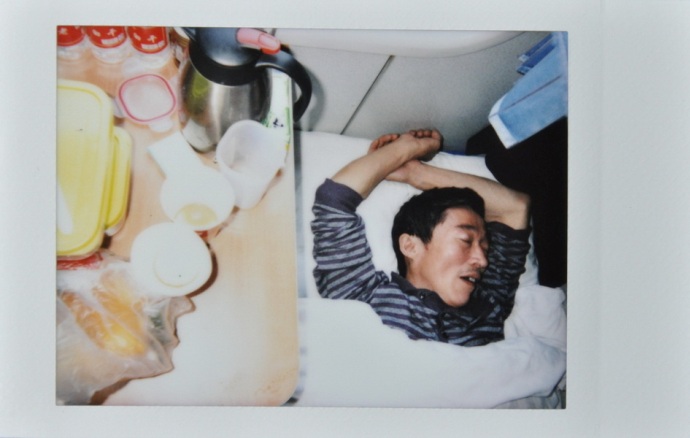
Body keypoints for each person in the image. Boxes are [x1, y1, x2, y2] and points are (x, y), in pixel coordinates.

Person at [311, 129, 531, 346]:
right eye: (465, 240)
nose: (482, 261)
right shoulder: (367, 299)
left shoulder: (488, 307)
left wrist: (415, 173)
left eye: (485, 248)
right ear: (410, 246)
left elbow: (515, 208)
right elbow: (333, 200)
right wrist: (406, 148)